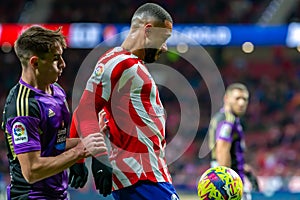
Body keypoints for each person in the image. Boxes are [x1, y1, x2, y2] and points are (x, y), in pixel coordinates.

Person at [68, 3, 180, 200]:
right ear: (148, 31)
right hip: (141, 178)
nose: (165, 47)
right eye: (163, 39)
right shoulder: (119, 63)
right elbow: (85, 110)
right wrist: (98, 155)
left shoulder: (128, 64)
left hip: (147, 177)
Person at [1, 25, 107, 199]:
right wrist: (79, 151)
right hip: (32, 196)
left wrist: (91, 139)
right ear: (35, 62)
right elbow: (32, 171)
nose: (63, 64)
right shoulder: (23, 107)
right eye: (56, 59)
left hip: (58, 194)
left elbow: (54, 145)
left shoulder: (57, 91)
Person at [208, 83, 259, 198]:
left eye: (244, 99)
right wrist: (227, 185)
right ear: (226, 98)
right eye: (237, 98)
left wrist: (243, 167)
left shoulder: (222, 118)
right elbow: (221, 150)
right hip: (232, 184)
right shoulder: (228, 121)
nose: (241, 103)